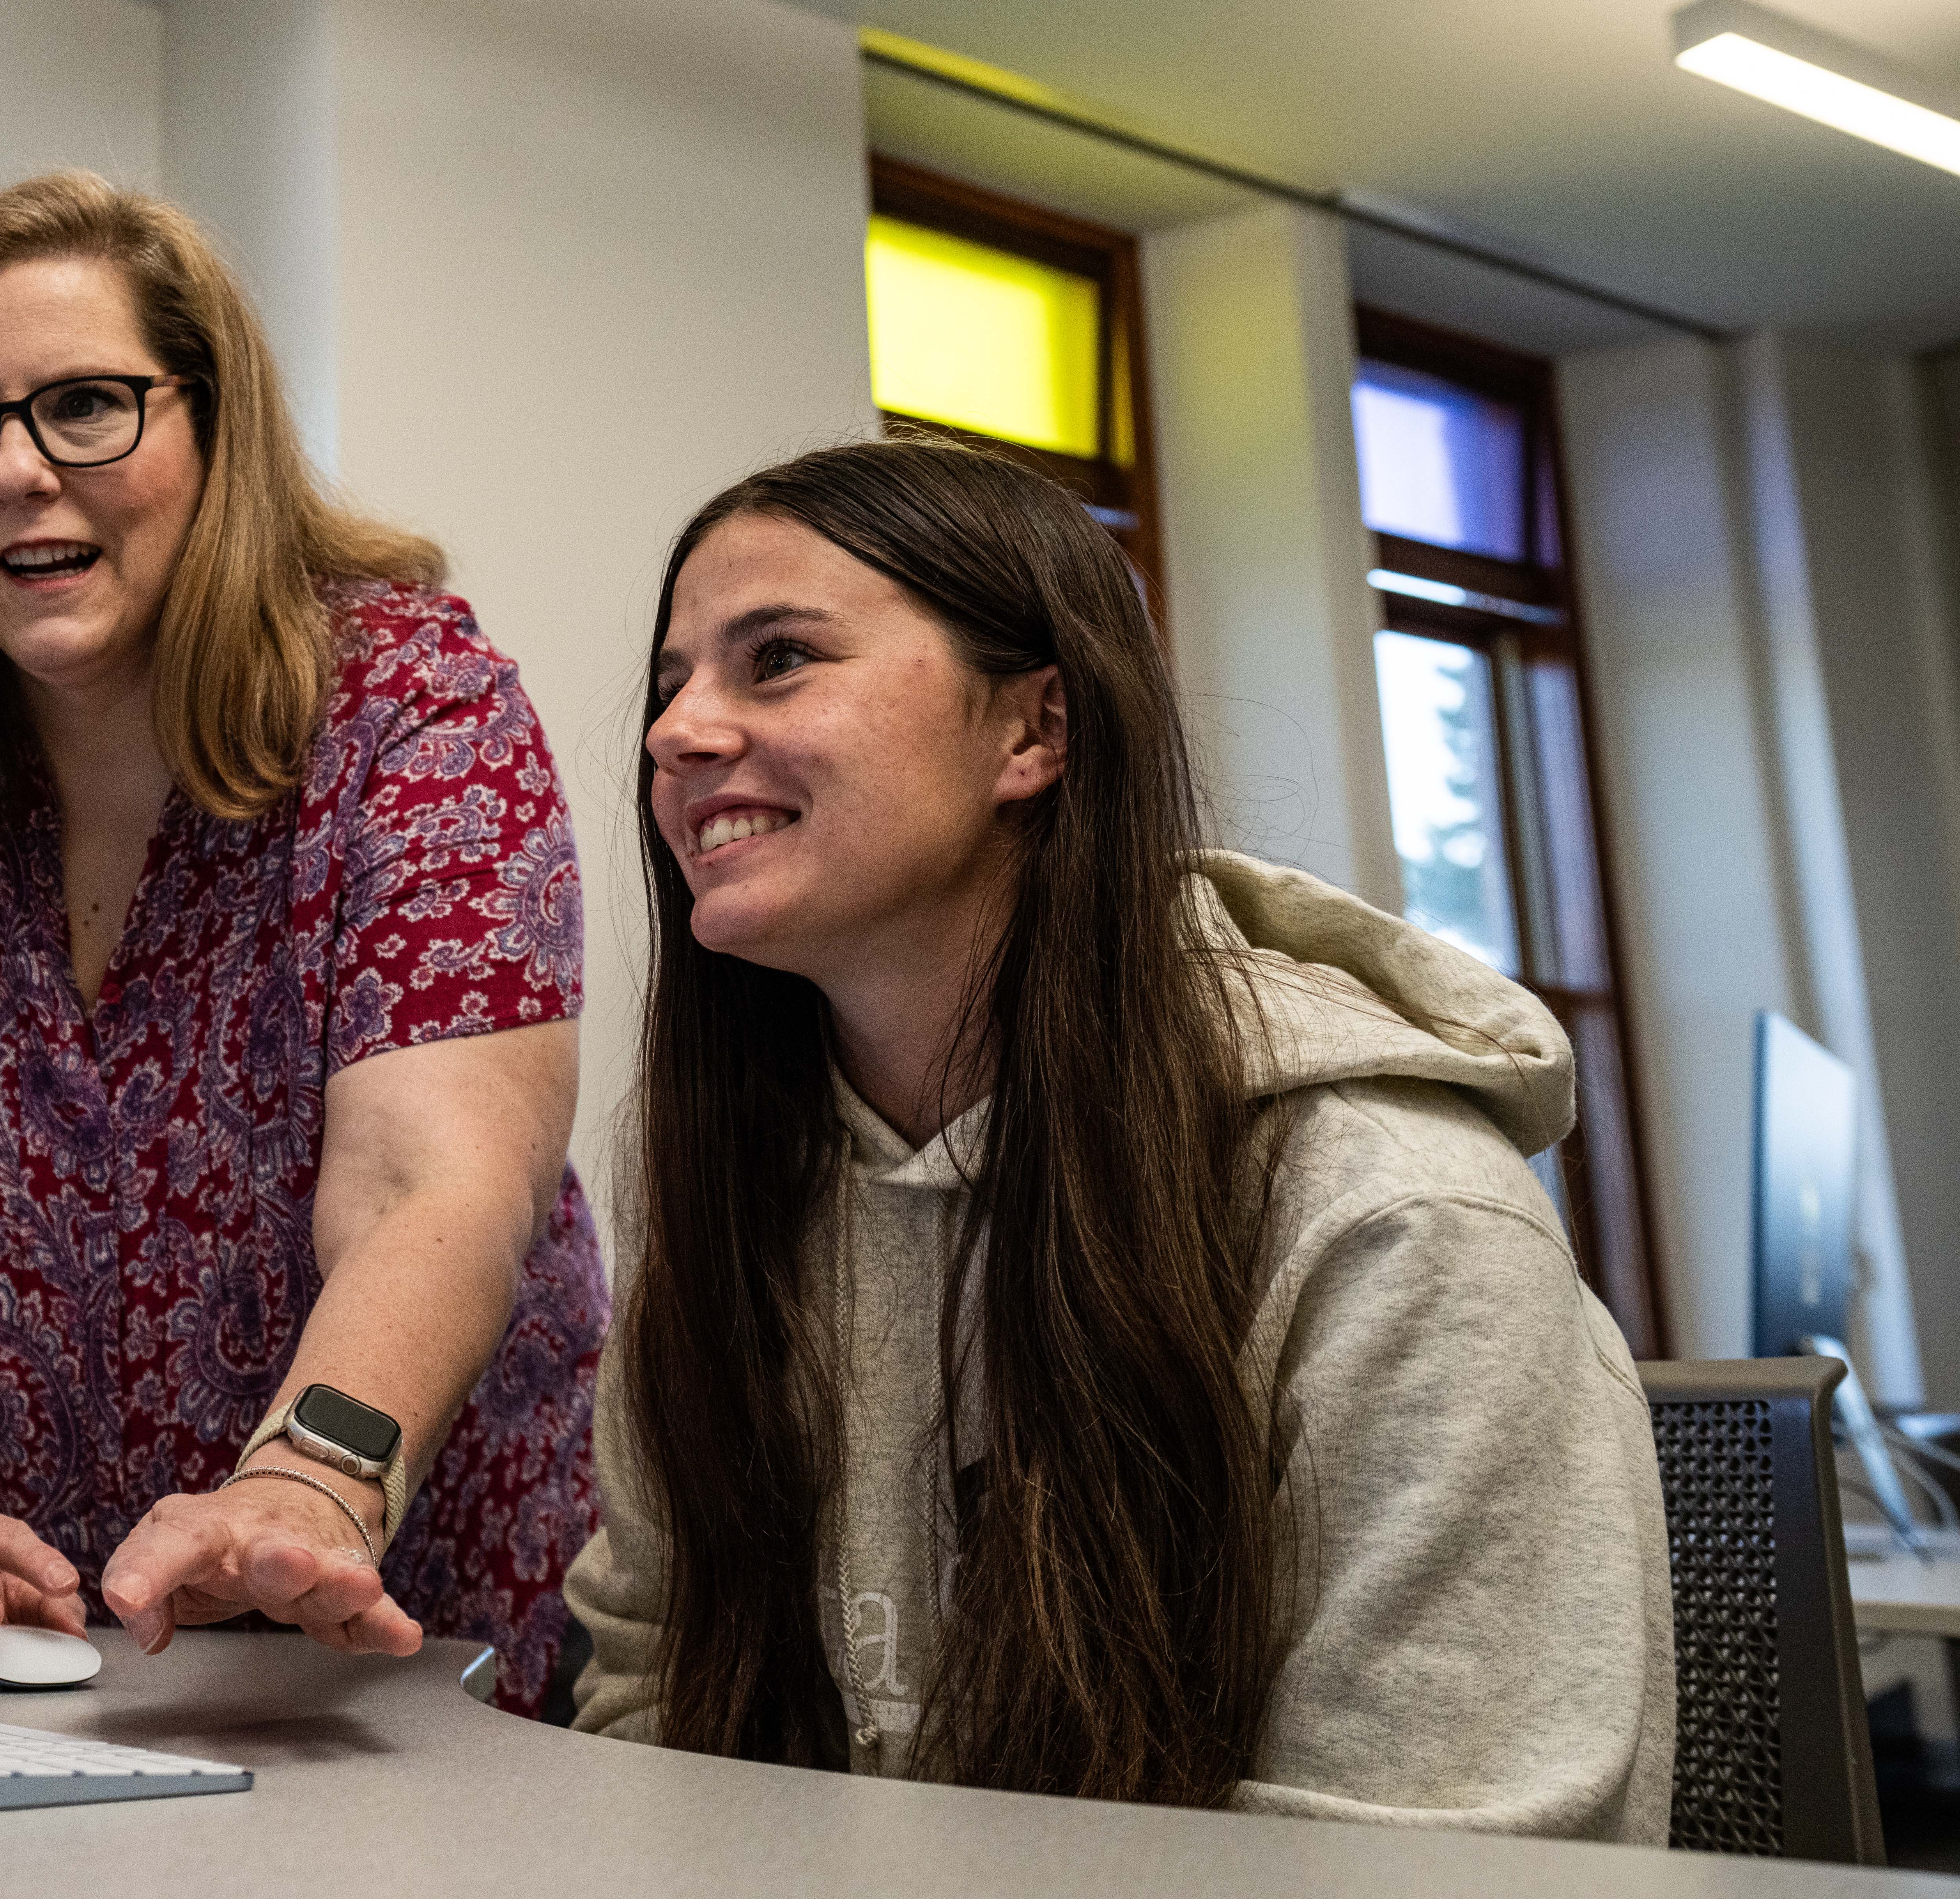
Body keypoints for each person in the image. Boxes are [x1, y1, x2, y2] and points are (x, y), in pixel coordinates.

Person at [567, 433, 1675, 1835]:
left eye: (777, 657)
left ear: (1036, 731)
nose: (676, 732)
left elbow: (1426, 1862)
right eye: (672, 688)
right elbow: (656, 1715)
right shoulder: (731, 1200)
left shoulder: (1392, 1215)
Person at [0, 171, 606, 1715]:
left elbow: (432, 1178)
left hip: (407, 1635)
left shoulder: (410, 704)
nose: (19, 473)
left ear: (214, 427)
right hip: (15, 1658)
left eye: (89, 406)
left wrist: (311, 1485)